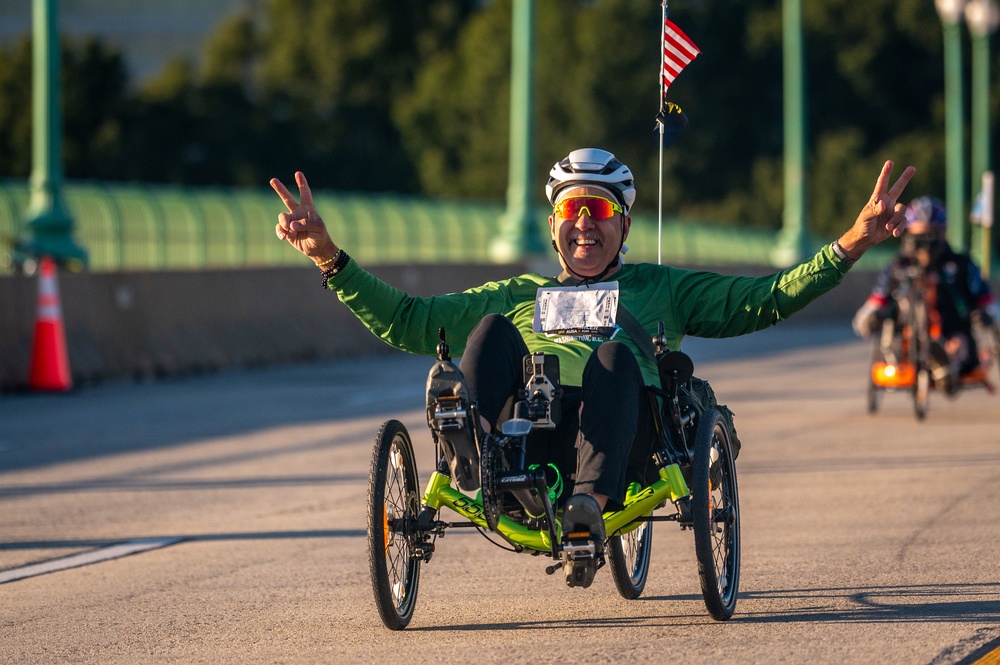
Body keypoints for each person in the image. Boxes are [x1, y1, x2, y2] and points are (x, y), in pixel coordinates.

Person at [271, 147, 914, 575]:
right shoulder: (522, 293)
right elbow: (409, 319)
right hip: (525, 433)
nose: (585, 224)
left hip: (620, 435)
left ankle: (587, 506)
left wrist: (853, 241)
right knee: (490, 329)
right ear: (553, 225)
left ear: (624, 225)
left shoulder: (660, 289)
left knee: (611, 357)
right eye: (571, 211)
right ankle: (476, 448)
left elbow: (763, 299)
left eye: (599, 210)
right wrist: (330, 257)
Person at [852, 196, 998, 392]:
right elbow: (874, 304)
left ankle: (946, 363)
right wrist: (871, 319)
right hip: (906, 336)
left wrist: (987, 319)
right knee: (891, 321)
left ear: (943, 232)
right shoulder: (898, 267)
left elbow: (988, 304)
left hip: (953, 330)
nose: (926, 246)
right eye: (920, 237)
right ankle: (918, 356)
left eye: (932, 236)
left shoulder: (961, 265)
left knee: (958, 341)